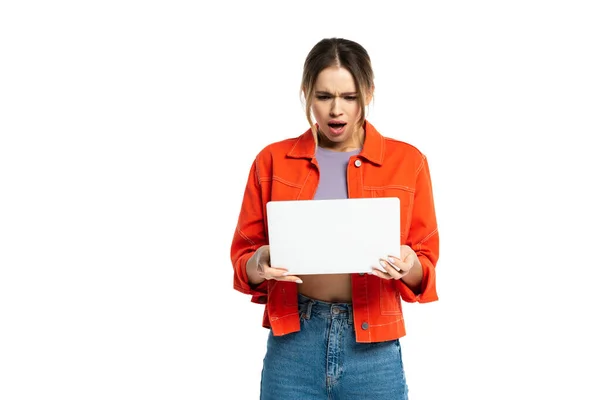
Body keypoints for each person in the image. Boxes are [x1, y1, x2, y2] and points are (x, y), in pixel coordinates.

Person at [230, 37, 439, 400]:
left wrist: (408, 265)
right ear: (307, 93)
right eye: (324, 96)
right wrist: (259, 261)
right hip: (294, 343)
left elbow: (425, 264)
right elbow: (243, 258)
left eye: (350, 97)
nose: (336, 110)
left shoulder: (409, 162)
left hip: (374, 348)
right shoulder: (272, 160)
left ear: (369, 93)